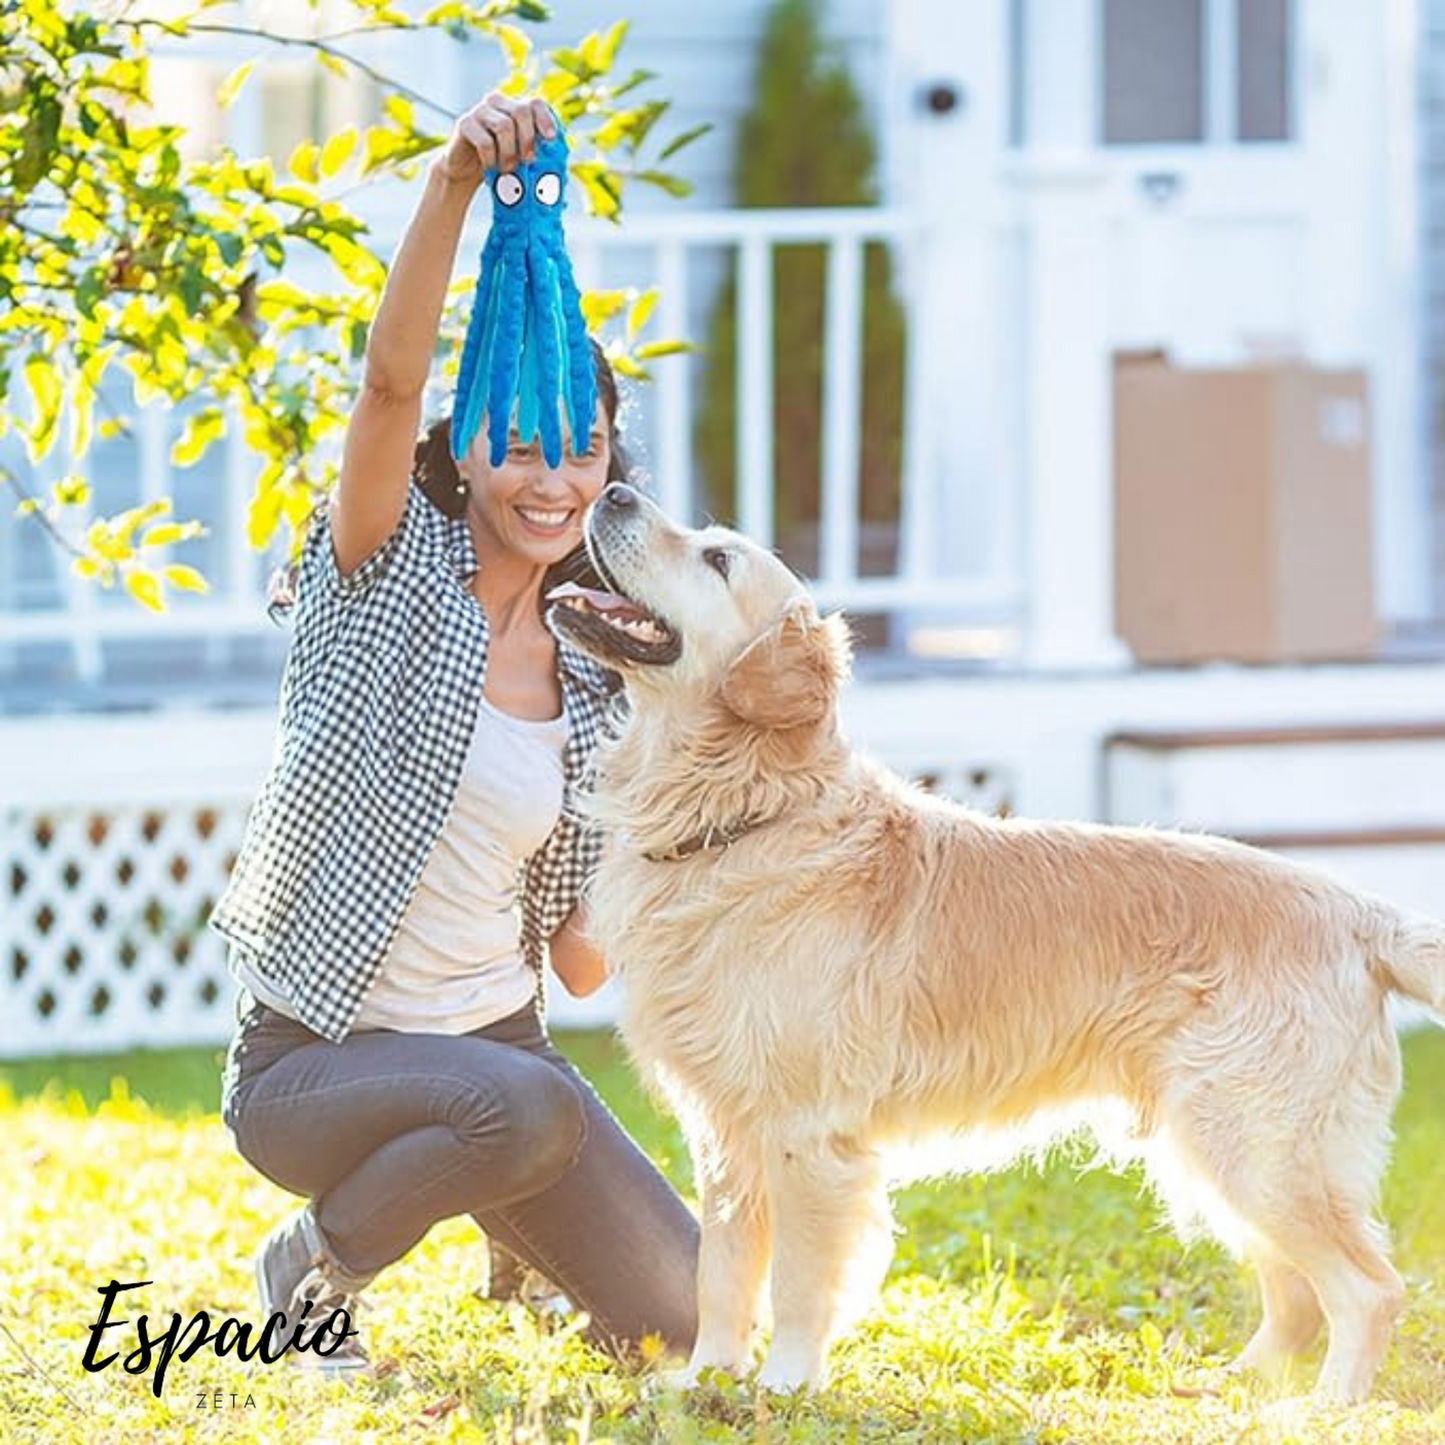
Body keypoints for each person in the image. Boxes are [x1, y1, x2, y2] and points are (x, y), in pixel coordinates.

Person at [212, 90, 699, 1373]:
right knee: (527, 1101)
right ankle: (315, 1265)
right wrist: (449, 187)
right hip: (316, 1064)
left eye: (584, 451)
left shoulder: (600, 677)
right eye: (526, 445)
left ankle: (513, 1229)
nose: (555, 479)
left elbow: (586, 965)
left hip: (500, 1058)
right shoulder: (383, 576)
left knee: (687, 1316)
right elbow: (383, 387)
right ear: (468, 449)